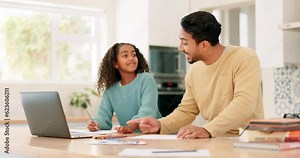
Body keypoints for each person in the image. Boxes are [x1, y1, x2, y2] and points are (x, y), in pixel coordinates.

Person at [127, 11, 264, 138]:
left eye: (185, 42)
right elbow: (187, 111)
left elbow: (244, 103)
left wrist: (207, 130)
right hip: (217, 139)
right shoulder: (195, 70)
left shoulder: (244, 58)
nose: (180, 48)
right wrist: (160, 124)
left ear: (204, 45)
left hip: (248, 139)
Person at [87, 43, 161, 133]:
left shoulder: (146, 79)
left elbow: (148, 111)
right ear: (115, 63)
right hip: (130, 137)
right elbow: (103, 117)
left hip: (153, 135)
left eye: (134, 55)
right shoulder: (110, 90)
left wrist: (130, 127)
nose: (131, 58)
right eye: (125, 55)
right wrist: (95, 123)